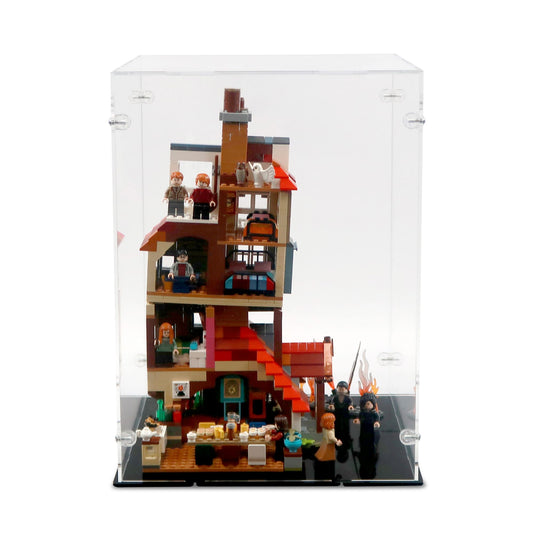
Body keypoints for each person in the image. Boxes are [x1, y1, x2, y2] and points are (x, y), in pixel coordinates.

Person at [326, 380, 355, 451]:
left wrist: (350, 406)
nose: (341, 390)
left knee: (345, 426)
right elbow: (332, 402)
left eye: (343, 389)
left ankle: (345, 439)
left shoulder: (348, 398)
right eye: (339, 389)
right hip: (337, 413)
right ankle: (337, 438)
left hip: (345, 414)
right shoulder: (335, 397)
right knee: (337, 426)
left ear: (346, 390)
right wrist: (332, 406)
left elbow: (350, 403)